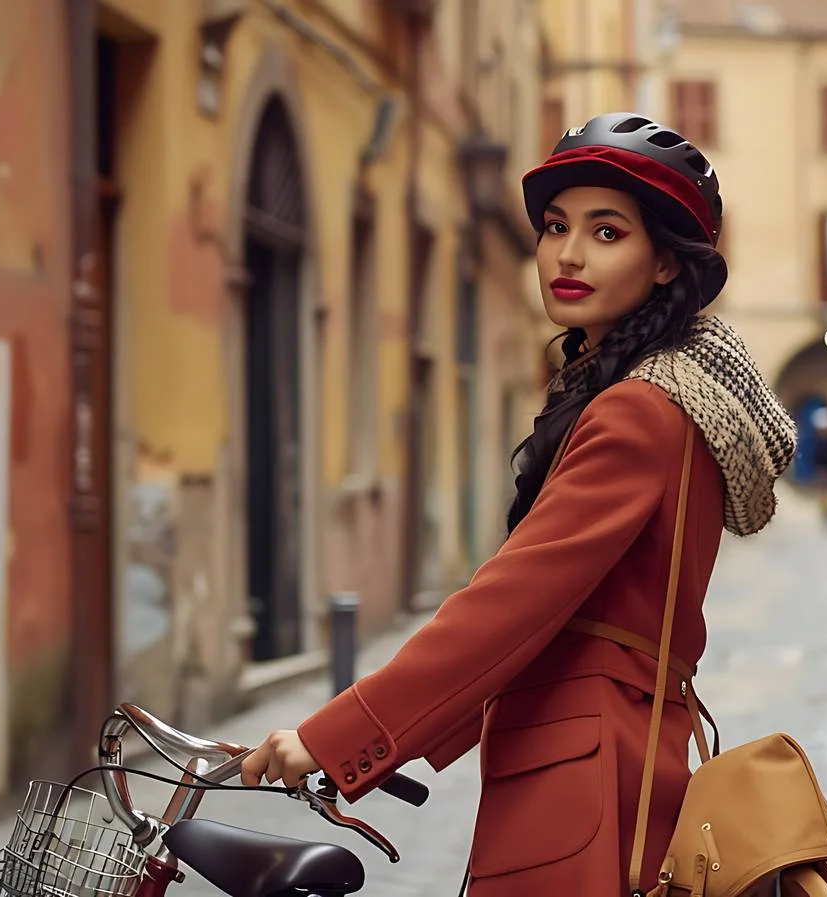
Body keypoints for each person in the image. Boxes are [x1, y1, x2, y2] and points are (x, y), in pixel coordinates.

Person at [238, 112, 797, 896]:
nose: (567, 253)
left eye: (608, 233)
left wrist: (337, 736)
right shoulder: (639, 395)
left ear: (668, 262)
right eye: (556, 226)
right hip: (606, 757)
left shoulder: (639, 410)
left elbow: (511, 603)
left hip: (589, 781)